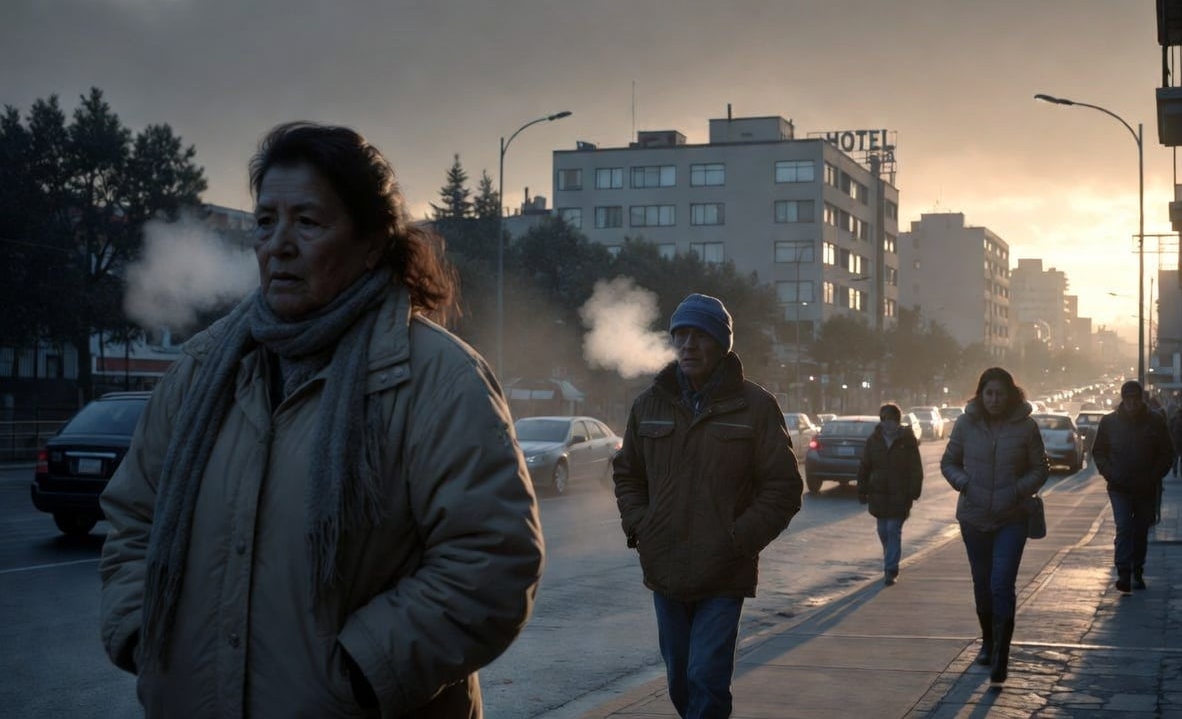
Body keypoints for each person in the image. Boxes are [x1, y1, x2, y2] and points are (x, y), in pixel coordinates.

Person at [98, 122, 544, 717]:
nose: (278, 245)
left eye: (307, 222)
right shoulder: (202, 371)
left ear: (371, 243)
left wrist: (363, 672)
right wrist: (139, 630)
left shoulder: (438, 378)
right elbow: (134, 519)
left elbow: (491, 561)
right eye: (266, 222)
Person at [612, 293, 803, 719]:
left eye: (700, 336)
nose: (688, 345)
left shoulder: (755, 406)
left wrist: (738, 540)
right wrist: (641, 525)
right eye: (680, 335)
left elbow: (784, 487)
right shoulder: (649, 405)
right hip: (665, 568)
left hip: (723, 572)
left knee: (706, 677)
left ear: (721, 345)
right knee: (680, 680)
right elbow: (628, 474)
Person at [941, 367, 1048, 686]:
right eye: (989, 393)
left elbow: (1040, 469)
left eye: (1000, 393)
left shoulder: (1026, 427)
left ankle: (1002, 654)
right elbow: (949, 463)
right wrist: (965, 484)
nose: (994, 399)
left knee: (1001, 583)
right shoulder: (965, 424)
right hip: (973, 518)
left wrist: (1016, 490)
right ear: (981, 394)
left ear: (1010, 394)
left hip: (1011, 518)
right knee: (982, 583)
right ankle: (988, 641)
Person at [1092, 380, 1174, 593]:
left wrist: (1153, 476)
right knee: (1124, 527)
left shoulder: (1155, 421)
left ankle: (1137, 569)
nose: (1132, 403)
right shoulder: (1109, 422)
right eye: (1128, 399)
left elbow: (1167, 453)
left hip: (1145, 488)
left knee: (1140, 530)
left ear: (1141, 399)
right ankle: (1123, 573)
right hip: (1119, 487)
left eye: (1135, 399)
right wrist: (1110, 473)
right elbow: (1098, 451)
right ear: (1123, 399)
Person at [857, 403, 924, 586]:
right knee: (883, 531)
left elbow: (915, 468)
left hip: (900, 495)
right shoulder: (873, 441)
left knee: (893, 530)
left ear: (898, 421)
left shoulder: (907, 441)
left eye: (892, 420)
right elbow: (865, 467)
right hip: (879, 495)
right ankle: (890, 555)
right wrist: (862, 489)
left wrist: (914, 491)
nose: (888, 424)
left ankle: (890, 569)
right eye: (885, 419)